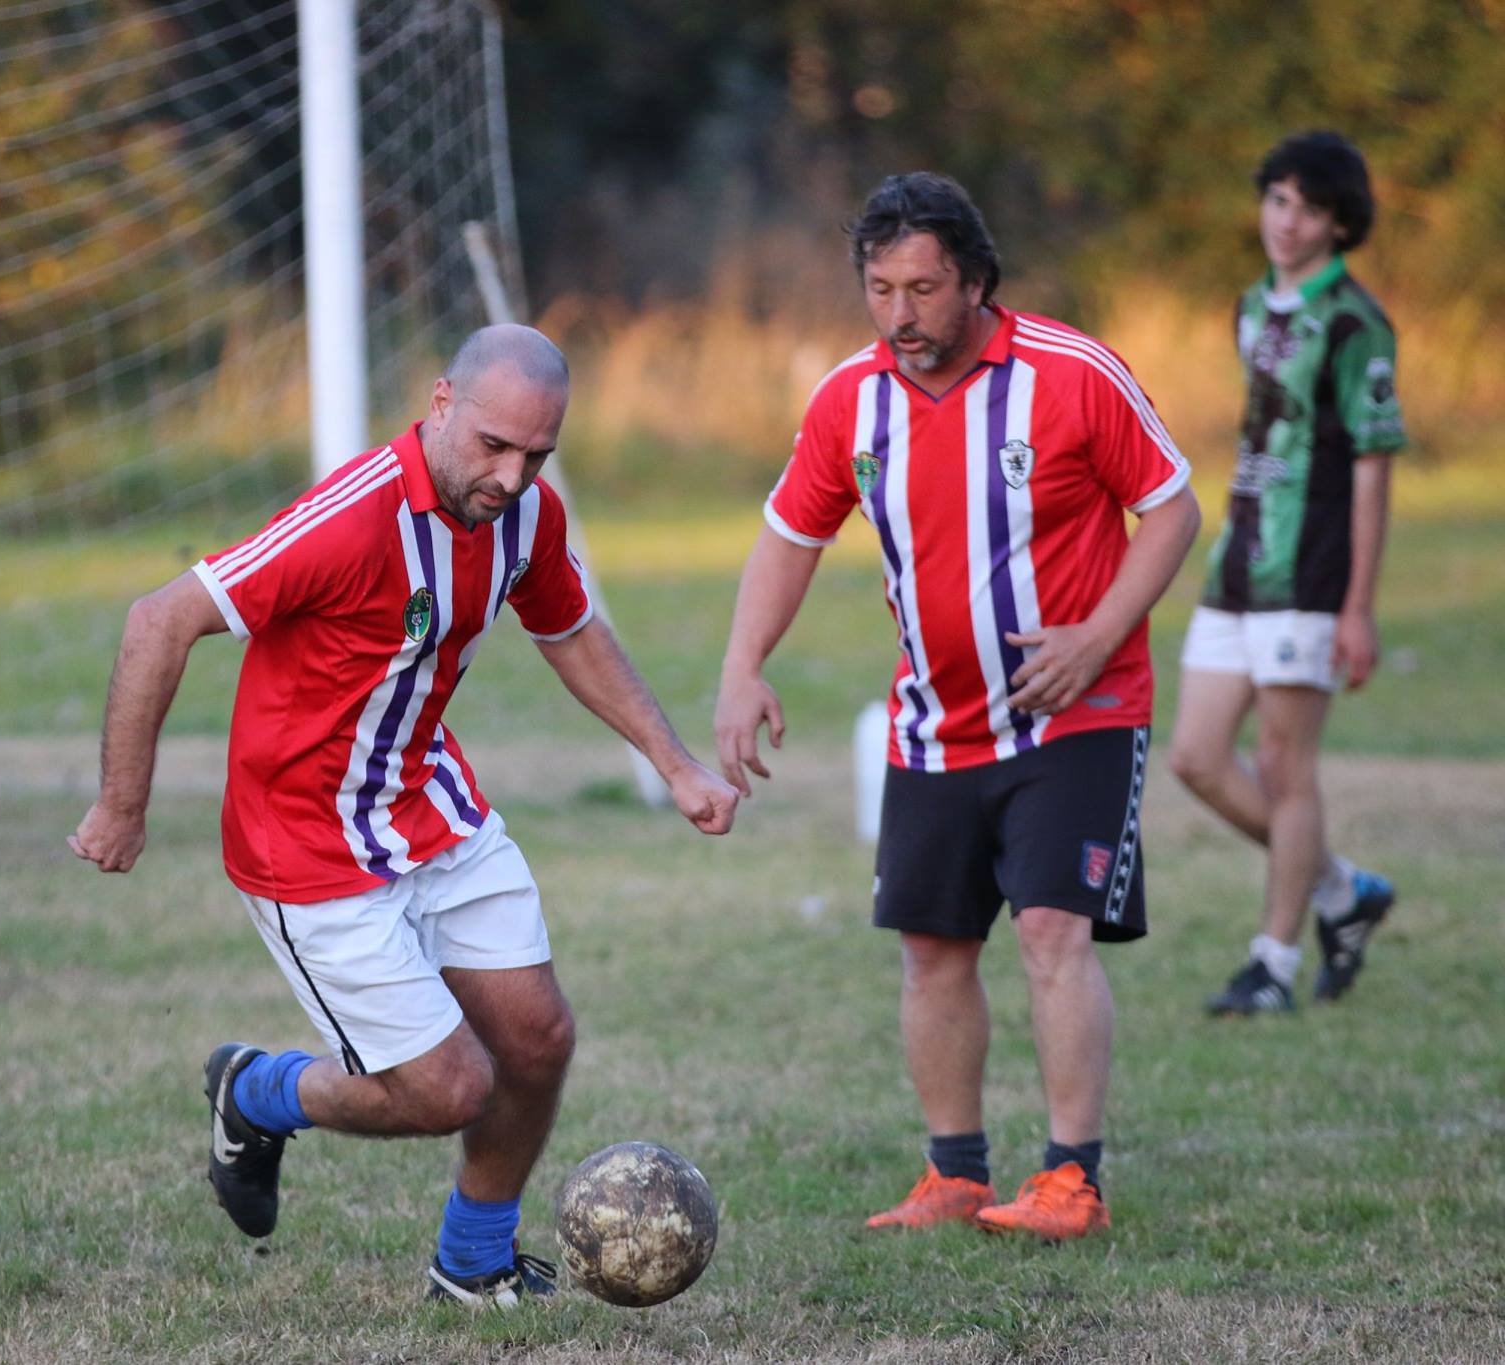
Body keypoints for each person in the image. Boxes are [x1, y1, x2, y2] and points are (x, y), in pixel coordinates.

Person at [68, 324, 738, 1306]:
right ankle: (255, 1092)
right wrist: (121, 806)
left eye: (536, 454)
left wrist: (675, 765)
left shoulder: (524, 519)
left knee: (538, 1040)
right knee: (446, 1090)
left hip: (430, 809)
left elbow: (571, 632)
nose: (511, 476)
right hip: (304, 843)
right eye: (493, 446)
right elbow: (158, 619)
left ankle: (473, 1265)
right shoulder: (351, 520)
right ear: (438, 405)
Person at [715, 173, 1200, 1240]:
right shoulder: (850, 399)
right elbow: (789, 537)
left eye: (923, 288)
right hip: (931, 723)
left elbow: (1169, 510)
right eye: (880, 288)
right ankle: (955, 1176)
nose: (900, 314)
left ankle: (1071, 1179)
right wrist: (741, 666)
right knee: (931, 948)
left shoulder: (1071, 375)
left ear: (975, 281)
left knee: (1046, 931)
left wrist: (1096, 635)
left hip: (1075, 711)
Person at [1167, 131, 1403, 1016]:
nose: (1286, 221)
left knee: (1282, 761)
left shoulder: (1355, 323)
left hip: (1311, 571)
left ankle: (1272, 961)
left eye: (1307, 208)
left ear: (1339, 223)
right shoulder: (1248, 308)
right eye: (1277, 200)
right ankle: (1341, 891)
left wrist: (1359, 607)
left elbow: (1374, 467)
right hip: (1239, 563)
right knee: (1194, 754)